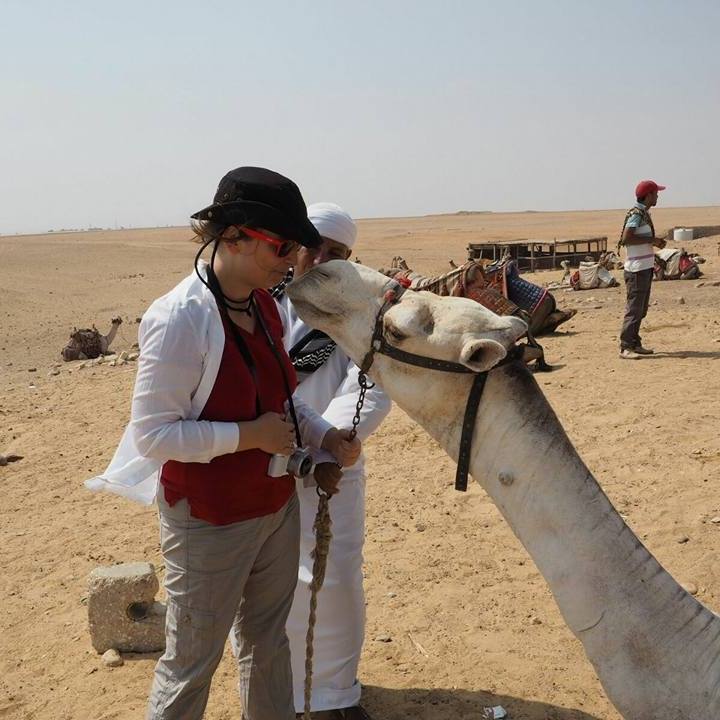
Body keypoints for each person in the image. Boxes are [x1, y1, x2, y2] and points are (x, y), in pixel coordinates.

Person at [86, 167, 361, 720]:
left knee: (269, 645)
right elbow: (153, 434)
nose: (293, 259)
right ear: (233, 235)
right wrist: (249, 436)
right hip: (209, 521)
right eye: (283, 245)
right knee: (192, 663)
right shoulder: (180, 317)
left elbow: (283, 398)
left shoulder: (264, 305)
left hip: (275, 509)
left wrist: (324, 433)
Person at [272, 203, 391, 719]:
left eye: (336, 252)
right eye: (314, 246)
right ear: (294, 246)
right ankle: (281, 689)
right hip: (266, 462)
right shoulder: (261, 305)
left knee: (336, 582)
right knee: (272, 586)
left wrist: (334, 444)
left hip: (335, 469)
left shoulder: (359, 315)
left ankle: (336, 696)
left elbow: (369, 383)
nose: (322, 259)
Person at [618, 179, 667, 359]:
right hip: (636, 270)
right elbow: (626, 239)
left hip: (644, 268)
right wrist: (652, 240)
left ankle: (635, 343)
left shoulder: (643, 213)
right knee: (634, 309)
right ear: (648, 195)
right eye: (656, 194)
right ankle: (626, 347)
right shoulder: (636, 214)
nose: (657, 197)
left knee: (641, 309)